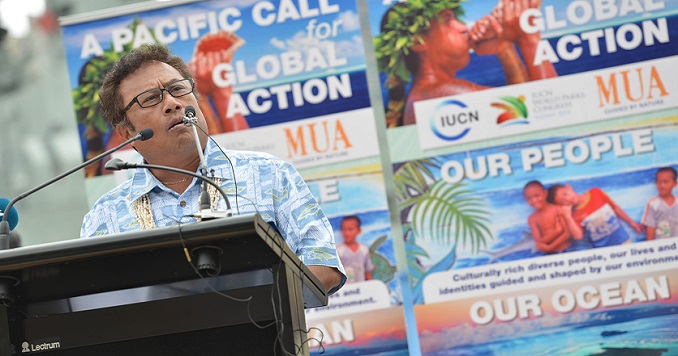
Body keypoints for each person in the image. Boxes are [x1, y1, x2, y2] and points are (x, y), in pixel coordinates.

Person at [80, 44, 345, 294]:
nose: (172, 103)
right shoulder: (104, 217)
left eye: (178, 89)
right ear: (127, 131)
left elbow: (323, 266)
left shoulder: (270, 173)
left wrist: (253, 308)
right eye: (151, 98)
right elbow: (92, 302)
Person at [375, 0, 557, 127]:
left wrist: (504, 48)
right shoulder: (442, 94)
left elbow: (521, 109)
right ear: (418, 42)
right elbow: (548, 115)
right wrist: (528, 39)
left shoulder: (427, 93)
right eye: (448, 20)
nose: (463, 28)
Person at [547, 184, 642, 248]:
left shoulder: (596, 192)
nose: (568, 199)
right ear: (561, 206)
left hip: (623, 240)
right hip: (603, 250)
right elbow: (578, 236)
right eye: (563, 201)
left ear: (569, 187)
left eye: (565, 194)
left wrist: (631, 222)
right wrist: (567, 217)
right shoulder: (574, 215)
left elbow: (615, 208)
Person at [523, 181, 581, 253]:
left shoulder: (558, 209)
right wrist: (556, 232)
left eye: (537, 196)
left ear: (545, 194)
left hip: (568, 249)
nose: (534, 200)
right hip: (550, 254)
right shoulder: (532, 219)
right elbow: (538, 241)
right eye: (529, 199)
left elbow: (567, 234)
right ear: (526, 200)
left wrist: (549, 247)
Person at [642, 167, 678, 240]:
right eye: (658, 182)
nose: (662, 185)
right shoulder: (652, 204)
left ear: (675, 183)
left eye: (666, 182)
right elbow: (650, 230)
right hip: (662, 247)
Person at [337, 215, 373, 283]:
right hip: (346, 291)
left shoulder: (364, 250)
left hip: (361, 288)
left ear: (358, 231)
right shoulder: (339, 251)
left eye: (350, 229)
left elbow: (367, 272)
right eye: (344, 229)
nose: (346, 233)